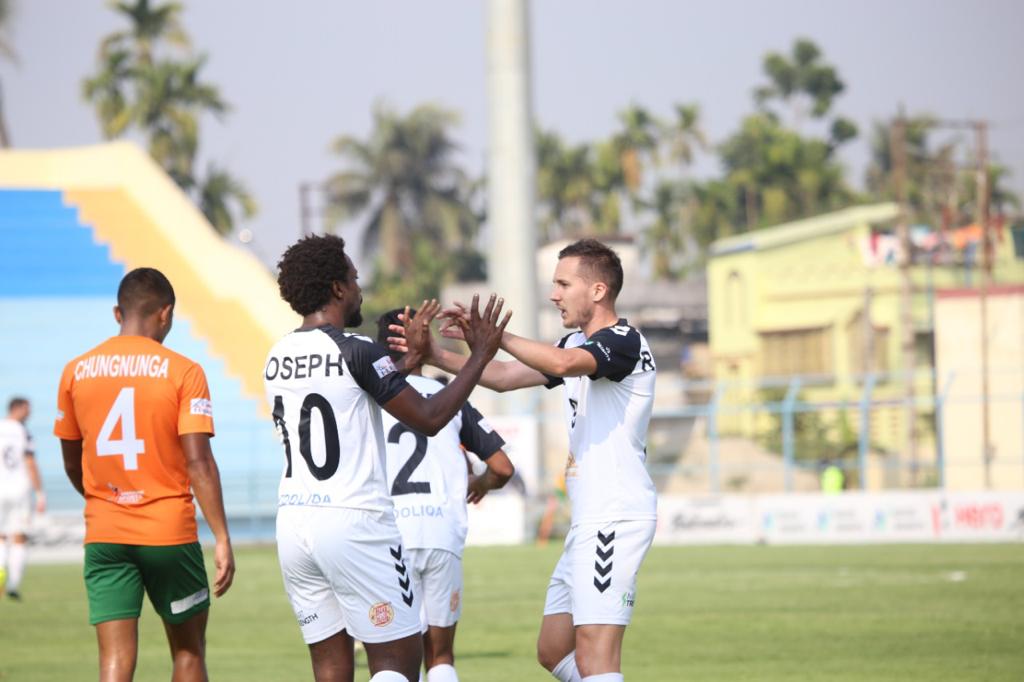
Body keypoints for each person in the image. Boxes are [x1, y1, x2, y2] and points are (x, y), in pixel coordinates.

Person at [392, 239, 657, 682]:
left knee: (596, 655)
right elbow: (503, 377)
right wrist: (436, 354)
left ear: (597, 291)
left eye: (562, 284)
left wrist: (499, 337)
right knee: (553, 651)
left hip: (616, 515)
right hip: (590, 521)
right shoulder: (578, 343)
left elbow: (563, 361)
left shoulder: (623, 342)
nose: (553, 294)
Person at [264, 234, 510, 682]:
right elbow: (431, 417)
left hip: (294, 526)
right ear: (338, 289)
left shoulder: (277, 354)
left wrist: (403, 364)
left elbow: (346, 396)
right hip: (356, 523)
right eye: (354, 279)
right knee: (398, 664)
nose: (359, 289)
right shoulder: (356, 349)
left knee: (331, 670)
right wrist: (480, 356)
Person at [54, 267, 235, 682]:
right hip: (168, 532)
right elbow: (199, 462)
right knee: (188, 653)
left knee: (114, 662)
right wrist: (222, 537)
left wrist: (105, 503)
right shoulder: (184, 371)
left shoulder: (75, 370)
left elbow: (71, 459)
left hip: (105, 534)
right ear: (166, 313)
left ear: (118, 313)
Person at [375, 309, 515, 682]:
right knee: (440, 656)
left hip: (388, 536)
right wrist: (481, 484)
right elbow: (503, 468)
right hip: (441, 534)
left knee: (391, 659)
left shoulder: (368, 398)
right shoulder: (448, 398)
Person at [0, 397, 46, 600]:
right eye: (27, 409)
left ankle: (1, 571)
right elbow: (30, 463)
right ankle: (13, 584)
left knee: (1, 536)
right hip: (19, 489)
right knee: (19, 536)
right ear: (17, 408)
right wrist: (39, 493)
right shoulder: (23, 431)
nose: (30, 414)